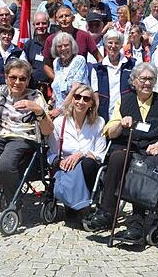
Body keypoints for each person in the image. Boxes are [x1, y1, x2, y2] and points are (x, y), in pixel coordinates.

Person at [82, 62, 158, 241]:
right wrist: (120, 123)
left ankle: (137, 221)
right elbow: (111, 131)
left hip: (153, 149)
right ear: (134, 81)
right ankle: (107, 212)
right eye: (143, 79)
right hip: (128, 145)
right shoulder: (124, 101)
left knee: (143, 168)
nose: (147, 83)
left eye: (151, 79)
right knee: (116, 158)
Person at [0, 59, 53, 228]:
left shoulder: (35, 96)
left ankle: (14, 207)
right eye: (13, 77)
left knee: (5, 165)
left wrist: (37, 110)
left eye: (22, 78)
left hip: (23, 137)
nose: (17, 82)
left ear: (28, 80)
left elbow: (47, 130)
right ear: (6, 77)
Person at [46, 85, 106, 226]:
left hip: (87, 167)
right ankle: (74, 203)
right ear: (72, 99)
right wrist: (60, 161)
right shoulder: (60, 122)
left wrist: (80, 154)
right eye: (77, 97)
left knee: (87, 163)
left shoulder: (99, 122)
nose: (81, 101)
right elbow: (52, 153)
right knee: (68, 166)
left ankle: (82, 203)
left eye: (86, 99)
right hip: (65, 167)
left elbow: (100, 154)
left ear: (91, 103)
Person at [42, 6, 102, 81]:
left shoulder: (84, 36)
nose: (64, 19)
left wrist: (99, 78)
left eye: (67, 16)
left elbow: (99, 58)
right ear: (56, 20)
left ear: (73, 18)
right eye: (60, 17)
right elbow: (46, 65)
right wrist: (58, 80)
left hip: (81, 85)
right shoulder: (50, 40)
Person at [91, 30, 135, 121]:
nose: (113, 46)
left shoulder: (132, 64)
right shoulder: (97, 68)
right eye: (110, 43)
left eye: (117, 43)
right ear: (105, 45)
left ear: (121, 45)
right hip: (104, 114)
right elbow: (95, 97)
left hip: (127, 113)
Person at [49, 32, 89, 115]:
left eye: (66, 45)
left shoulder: (79, 60)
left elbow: (75, 89)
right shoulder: (56, 62)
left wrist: (60, 110)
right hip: (58, 110)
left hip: (75, 110)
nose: (63, 48)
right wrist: (49, 105)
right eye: (59, 46)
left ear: (72, 46)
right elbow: (57, 87)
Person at [22, 12, 51, 94]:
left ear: (48, 24)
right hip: (33, 87)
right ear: (34, 25)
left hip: (51, 88)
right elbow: (24, 65)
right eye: (37, 24)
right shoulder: (29, 44)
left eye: (44, 23)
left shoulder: (54, 42)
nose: (40, 26)